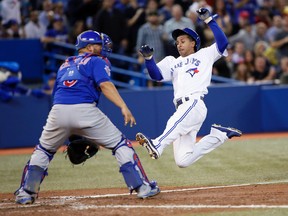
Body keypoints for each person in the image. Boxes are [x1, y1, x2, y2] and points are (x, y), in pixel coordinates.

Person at [14, 30, 160, 205]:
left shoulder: (65, 64)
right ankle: (142, 187)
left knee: (44, 150)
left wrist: (67, 128)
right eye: (99, 44)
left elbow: (56, 93)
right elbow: (105, 85)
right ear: (89, 46)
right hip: (85, 110)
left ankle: (25, 192)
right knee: (120, 145)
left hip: (58, 111)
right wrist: (123, 106)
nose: (103, 47)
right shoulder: (96, 60)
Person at [135, 8, 242, 168]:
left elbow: (222, 43)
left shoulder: (204, 54)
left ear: (193, 43)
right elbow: (156, 76)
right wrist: (149, 59)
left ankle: (157, 144)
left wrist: (209, 21)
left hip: (193, 103)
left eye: (183, 41)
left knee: (174, 121)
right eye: (177, 42)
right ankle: (219, 135)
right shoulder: (172, 61)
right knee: (182, 160)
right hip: (183, 108)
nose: (179, 44)